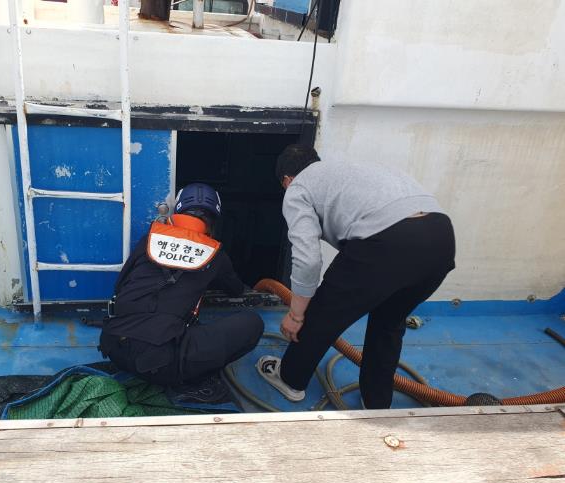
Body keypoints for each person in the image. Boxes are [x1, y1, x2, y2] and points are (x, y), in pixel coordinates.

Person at [256, 145, 455, 409]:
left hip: (388, 241)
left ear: (286, 180)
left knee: (322, 313)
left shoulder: (298, 187)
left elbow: (308, 260)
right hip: (441, 240)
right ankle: (376, 403)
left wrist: (295, 315)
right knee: (389, 322)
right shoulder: (354, 169)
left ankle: (290, 379)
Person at [100, 183, 264, 391]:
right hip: (157, 363)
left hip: (112, 345)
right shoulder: (215, 254)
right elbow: (236, 289)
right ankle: (197, 382)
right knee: (252, 323)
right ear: (213, 221)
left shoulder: (150, 239)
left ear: (177, 211)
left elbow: (121, 284)